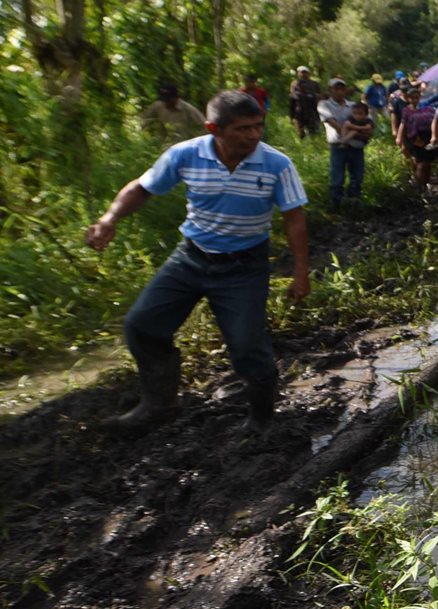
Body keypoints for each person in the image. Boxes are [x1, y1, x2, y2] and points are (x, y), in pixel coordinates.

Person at [85, 90, 310, 434]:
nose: (253, 135)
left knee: (248, 346)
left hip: (244, 266)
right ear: (213, 128)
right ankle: (159, 403)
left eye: (257, 126)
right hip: (190, 258)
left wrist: (300, 273)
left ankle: (262, 419)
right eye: (243, 128)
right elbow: (142, 188)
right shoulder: (186, 155)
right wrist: (109, 219)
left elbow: (294, 218)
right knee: (141, 326)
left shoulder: (277, 164)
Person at [318, 78, 360, 207]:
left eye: (342, 88)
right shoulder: (324, 104)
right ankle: (337, 203)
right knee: (337, 176)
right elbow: (331, 122)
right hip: (337, 144)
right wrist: (352, 131)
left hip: (355, 144)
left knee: (357, 175)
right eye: (336, 89)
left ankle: (354, 202)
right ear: (330, 90)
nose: (340, 92)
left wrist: (357, 129)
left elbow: (364, 120)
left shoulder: (352, 105)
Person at [396, 86, 437, 193]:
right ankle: (419, 187)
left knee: (428, 164)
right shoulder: (406, 111)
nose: (415, 100)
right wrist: (400, 140)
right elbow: (403, 125)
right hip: (415, 138)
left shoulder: (427, 108)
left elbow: (434, 120)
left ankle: (426, 184)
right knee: (421, 163)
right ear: (408, 98)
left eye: (417, 97)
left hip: (428, 137)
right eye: (412, 98)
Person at [139, 82, 206, 144]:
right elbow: (144, 119)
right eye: (163, 100)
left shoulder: (188, 109)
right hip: (164, 146)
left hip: (183, 146)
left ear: (175, 98)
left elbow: (204, 125)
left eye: (168, 100)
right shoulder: (158, 105)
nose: (165, 103)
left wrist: (196, 140)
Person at [289, 66, 322, 139]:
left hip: (312, 111)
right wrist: (292, 116)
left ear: (308, 73)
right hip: (299, 111)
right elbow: (292, 100)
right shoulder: (295, 83)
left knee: (313, 132)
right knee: (300, 133)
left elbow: (320, 96)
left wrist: (312, 96)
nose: (303, 74)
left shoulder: (314, 83)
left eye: (304, 72)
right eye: (301, 72)